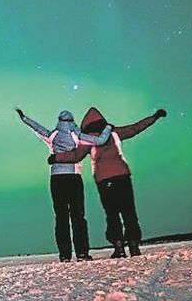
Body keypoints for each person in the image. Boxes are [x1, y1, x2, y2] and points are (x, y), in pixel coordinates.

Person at [48, 107, 166, 258]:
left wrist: (56, 158)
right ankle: (134, 246)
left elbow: (76, 156)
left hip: (104, 180)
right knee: (129, 212)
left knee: (112, 214)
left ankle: (119, 248)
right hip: (123, 176)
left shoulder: (87, 140)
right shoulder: (114, 133)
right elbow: (135, 128)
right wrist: (154, 117)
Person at [15, 108, 112, 262]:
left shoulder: (52, 135)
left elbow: (37, 127)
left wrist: (24, 118)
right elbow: (100, 141)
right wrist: (108, 128)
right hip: (73, 177)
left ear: (59, 121)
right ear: (72, 121)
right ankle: (82, 253)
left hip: (56, 179)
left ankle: (64, 255)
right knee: (78, 217)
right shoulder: (77, 135)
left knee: (61, 217)